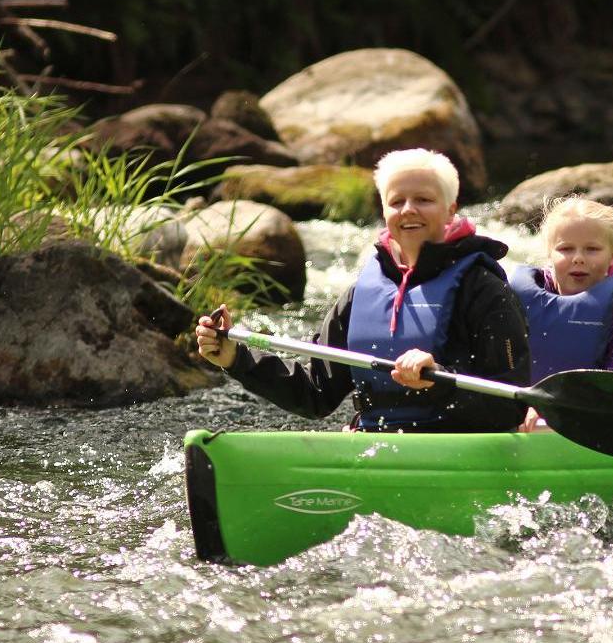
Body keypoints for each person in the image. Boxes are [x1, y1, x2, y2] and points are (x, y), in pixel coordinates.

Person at [193, 147, 530, 432]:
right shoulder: (361, 293)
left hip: (457, 447)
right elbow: (315, 392)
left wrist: (441, 380)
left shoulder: (484, 290)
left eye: (424, 199)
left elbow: (510, 405)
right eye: (397, 201)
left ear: (450, 210)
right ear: (384, 212)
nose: (408, 209)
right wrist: (235, 358)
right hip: (376, 442)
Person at [510, 197, 613, 431]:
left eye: (592, 249)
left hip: (590, 428)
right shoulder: (515, 303)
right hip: (519, 421)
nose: (578, 258)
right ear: (549, 255)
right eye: (565, 249)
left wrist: (553, 410)